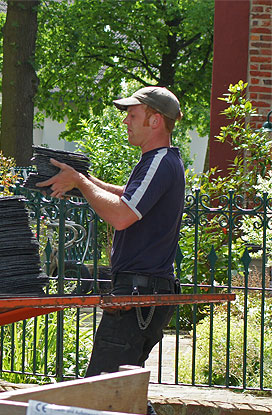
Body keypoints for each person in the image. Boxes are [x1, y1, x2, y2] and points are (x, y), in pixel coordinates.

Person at [37, 86, 185, 385]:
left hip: (139, 295)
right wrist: (83, 182)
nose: (125, 121)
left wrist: (79, 180)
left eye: (132, 115)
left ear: (155, 121)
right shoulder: (157, 161)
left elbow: (121, 215)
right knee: (117, 393)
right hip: (142, 293)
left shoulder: (159, 161)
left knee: (103, 392)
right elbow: (127, 196)